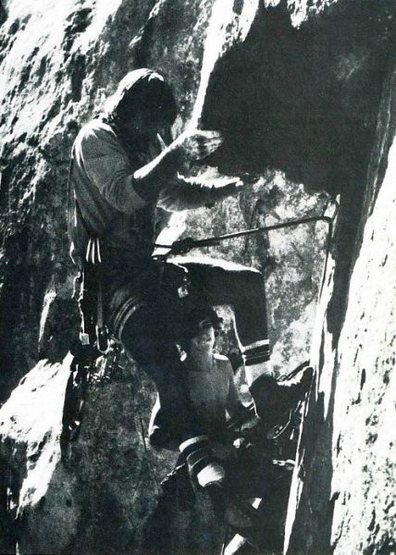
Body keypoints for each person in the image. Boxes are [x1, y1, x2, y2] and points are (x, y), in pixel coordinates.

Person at [69, 67, 311, 503]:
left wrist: (229, 187)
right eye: (154, 123)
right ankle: (202, 460)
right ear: (131, 110)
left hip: (149, 268)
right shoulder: (94, 140)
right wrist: (177, 152)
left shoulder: (146, 141)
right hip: (115, 284)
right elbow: (125, 194)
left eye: (163, 128)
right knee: (161, 354)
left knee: (245, 284)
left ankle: (264, 391)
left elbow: (173, 193)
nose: (158, 133)